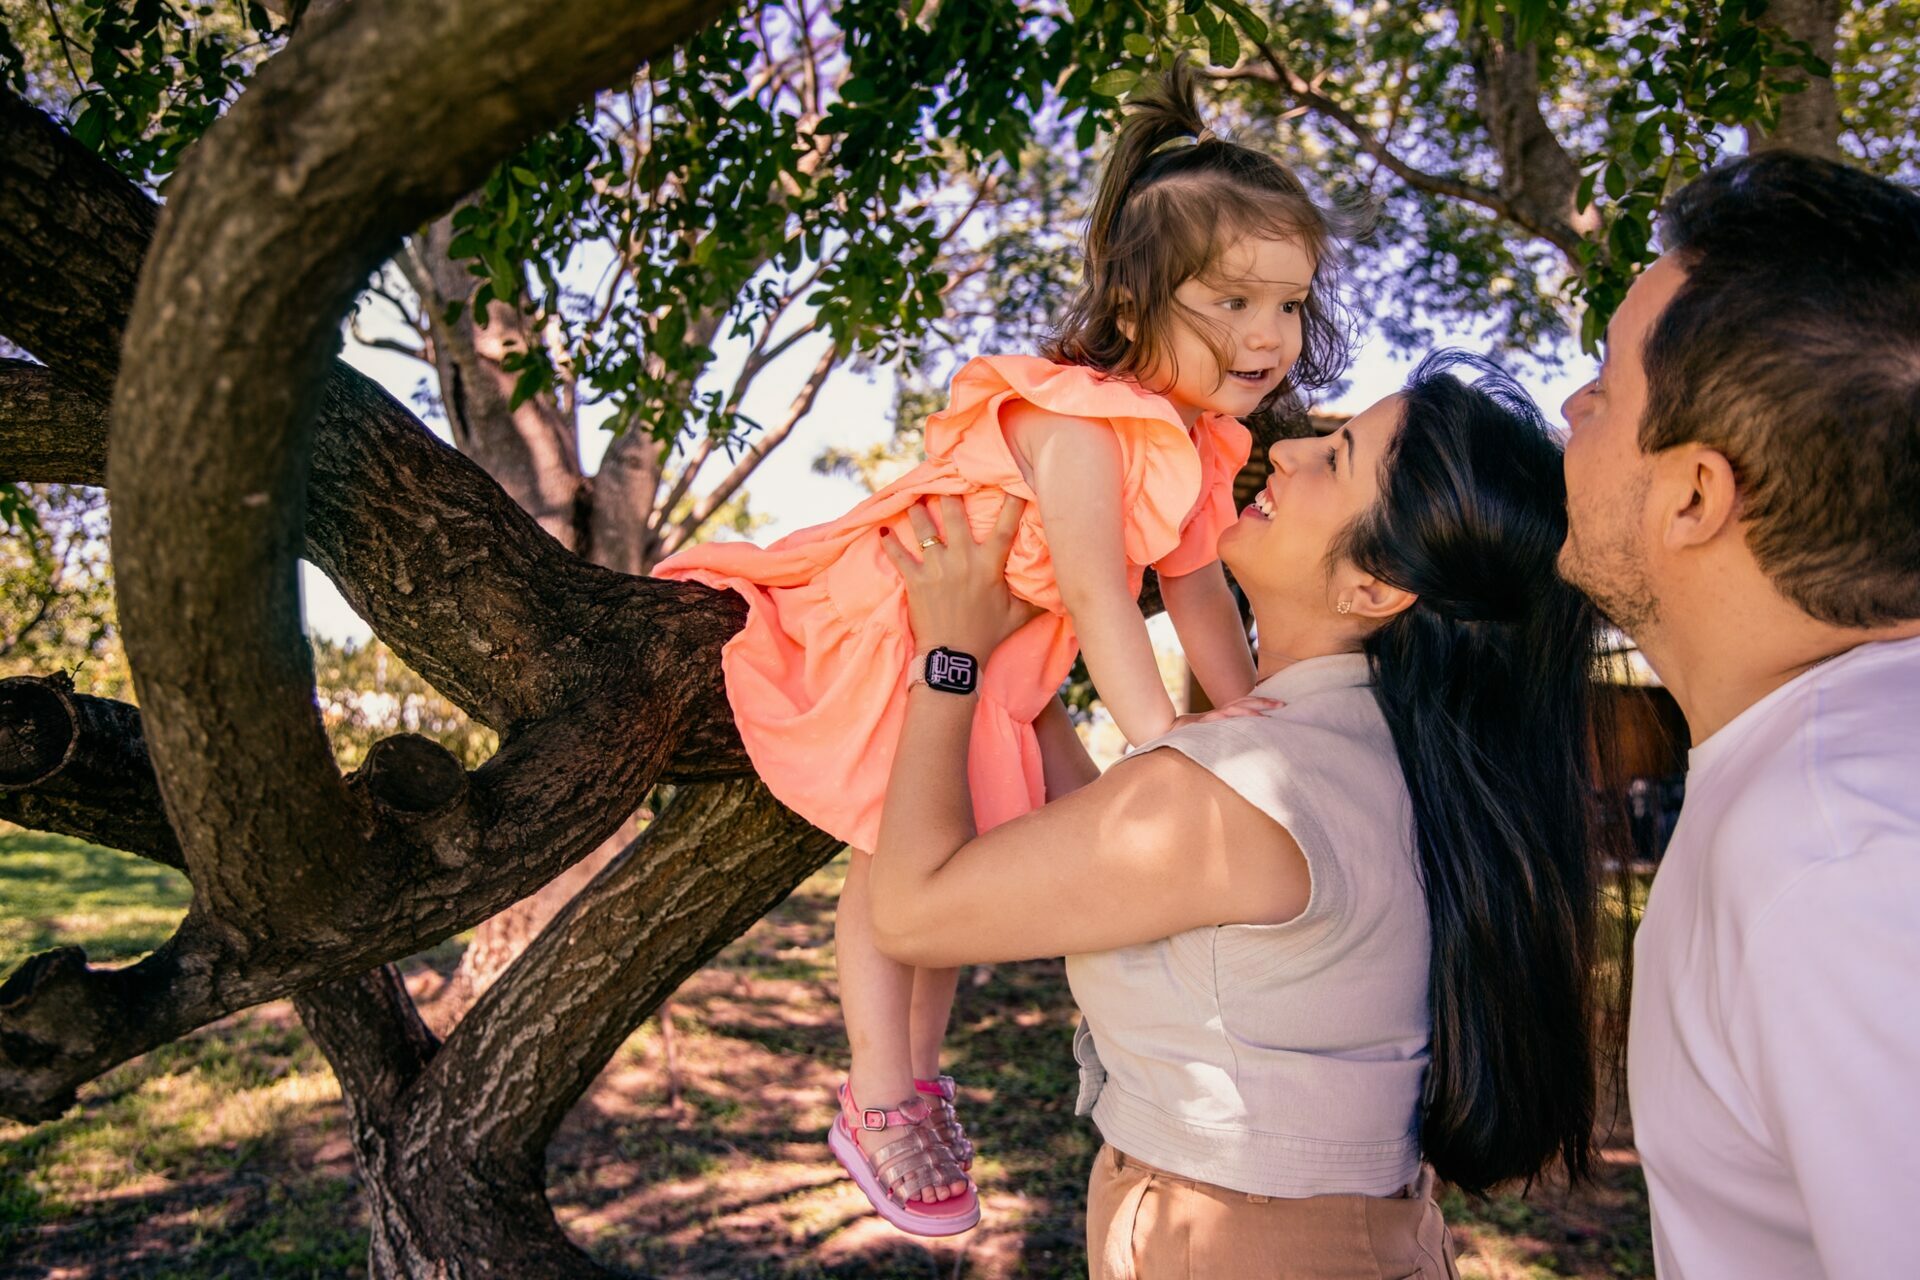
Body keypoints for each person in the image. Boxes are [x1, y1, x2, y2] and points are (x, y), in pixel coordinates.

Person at [653, 64, 1351, 1234]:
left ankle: (920, 1074)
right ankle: (877, 1088)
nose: (1268, 334)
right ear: (1135, 300)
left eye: (1288, 304)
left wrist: (1247, 721)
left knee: (952, 883)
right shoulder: (1080, 422)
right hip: (908, 626)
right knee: (892, 862)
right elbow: (1099, 594)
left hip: (994, 672)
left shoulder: (1200, 445)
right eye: (1233, 299)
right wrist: (1166, 743)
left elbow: (1196, 591)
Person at [869, 352, 1604, 1275]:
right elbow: (1102, 839)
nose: (1285, 452)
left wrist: (947, 658)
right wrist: (1022, 674)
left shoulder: (1250, 783)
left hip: (1237, 1243)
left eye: (1333, 459)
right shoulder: (1376, 750)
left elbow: (913, 912)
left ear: (1375, 588)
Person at [1557, 150, 1920, 1278]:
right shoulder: (1823, 792)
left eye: (1606, 386)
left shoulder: (1842, 868)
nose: (1571, 406)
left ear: (1696, 495)